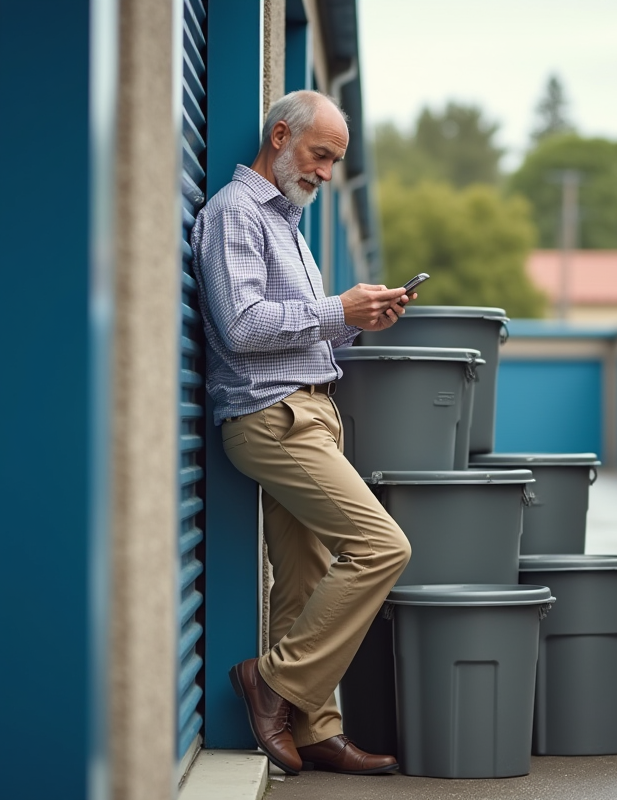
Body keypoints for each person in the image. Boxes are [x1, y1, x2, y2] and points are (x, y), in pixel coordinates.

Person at [190, 90, 413, 776]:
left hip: (308, 411)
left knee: (305, 578)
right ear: (280, 136)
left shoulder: (287, 221)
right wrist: (333, 307)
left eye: (335, 161)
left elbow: (296, 323)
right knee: (382, 547)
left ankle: (315, 729)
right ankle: (275, 682)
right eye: (320, 154)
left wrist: (355, 318)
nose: (323, 171)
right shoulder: (235, 214)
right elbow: (246, 326)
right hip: (275, 418)